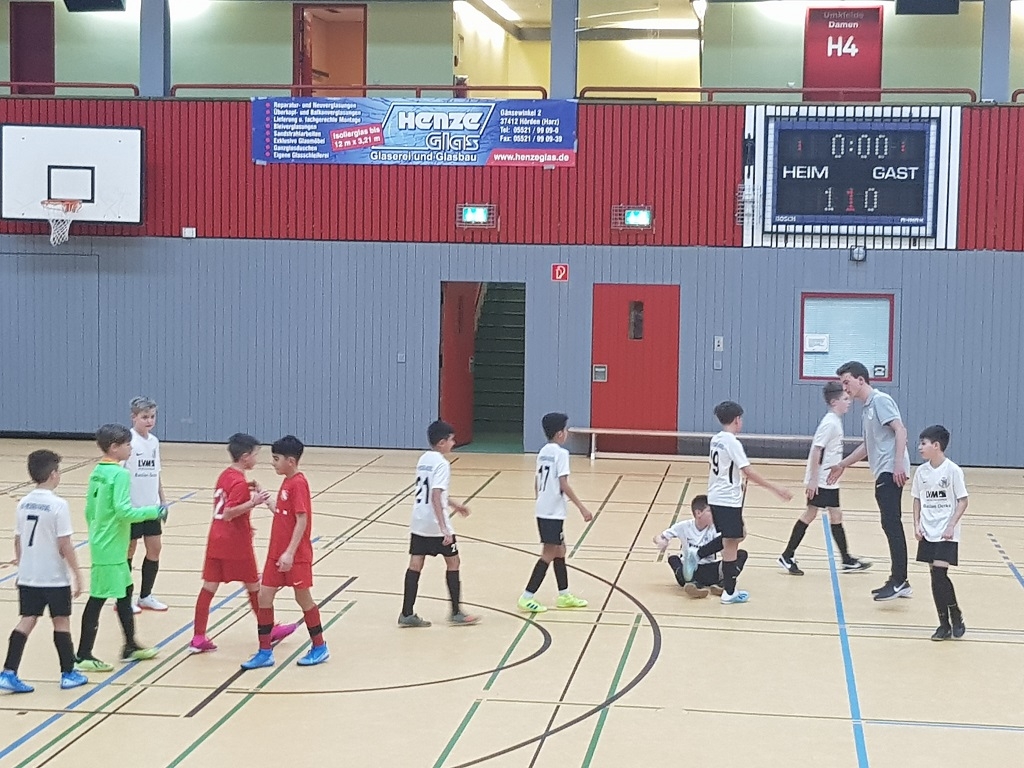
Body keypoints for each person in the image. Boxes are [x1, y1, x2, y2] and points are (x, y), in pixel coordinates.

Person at [189, 433, 296, 653]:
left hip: (217, 538)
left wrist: (247, 513)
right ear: (245, 457)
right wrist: (253, 502)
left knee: (209, 587)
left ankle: (198, 636)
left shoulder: (227, 476)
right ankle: (270, 629)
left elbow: (225, 508)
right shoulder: (239, 483)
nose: (257, 459)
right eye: (256, 454)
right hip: (235, 543)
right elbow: (229, 512)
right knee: (255, 587)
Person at [76, 425, 167, 671]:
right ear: (114, 448)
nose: (131, 449)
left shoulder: (97, 472)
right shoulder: (120, 474)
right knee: (97, 599)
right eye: (128, 445)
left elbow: (89, 510)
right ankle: (83, 655)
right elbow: (123, 511)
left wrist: (98, 530)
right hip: (111, 546)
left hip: (104, 542)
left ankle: (130, 646)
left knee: (125, 593)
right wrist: (153, 512)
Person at [0, 451, 88, 693]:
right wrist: (77, 575)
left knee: (27, 619)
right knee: (61, 622)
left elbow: (18, 539)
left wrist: (21, 567)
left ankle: (8, 672)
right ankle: (68, 673)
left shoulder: (23, 502)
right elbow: (65, 544)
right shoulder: (58, 505)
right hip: (53, 577)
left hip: (30, 576)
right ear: (53, 474)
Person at [240, 436, 329, 669]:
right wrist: (265, 497)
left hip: (295, 556)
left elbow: (302, 520)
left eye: (276, 458)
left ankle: (320, 646)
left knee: (303, 598)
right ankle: (264, 652)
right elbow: (282, 513)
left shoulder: (298, 483)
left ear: (290, 461)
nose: (273, 463)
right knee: (264, 597)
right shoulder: (287, 482)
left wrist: (290, 552)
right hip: (275, 553)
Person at [829, 362, 912, 601]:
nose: (845, 388)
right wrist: (843, 464)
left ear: (861, 380)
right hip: (883, 470)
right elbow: (868, 446)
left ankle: (899, 580)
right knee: (889, 524)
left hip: (890, 470)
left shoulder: (880, 401)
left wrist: (898, 463)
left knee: (892, 524)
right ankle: (899, 580)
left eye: (847, 382)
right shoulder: (867, 409)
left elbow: (900, 430)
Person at [778, 381, 871, 575]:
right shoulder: (829, 423)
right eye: (845, 399)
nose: (849, 402)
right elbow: (816, 450)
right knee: (816, 514)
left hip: (828, 479)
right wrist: (813, 480)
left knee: (827, 514)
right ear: (834, 401)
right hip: (822, 480)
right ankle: (788, 555)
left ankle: (845, 559)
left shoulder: (835, 421)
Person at [708, 401, 792, 604]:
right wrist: (775, 488)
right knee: (731, 543)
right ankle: (729, 591)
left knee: (736, 537)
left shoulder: (716, 439)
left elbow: (724, 469)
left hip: (716, 496)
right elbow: (748, 471)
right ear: (737, 420)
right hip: (728, 499)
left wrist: (737, 484)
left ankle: (720, 578)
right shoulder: (732, 442)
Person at [398, 420, 480, 628]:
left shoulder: (424, 459)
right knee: (454, 562)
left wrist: (455, 505)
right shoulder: (442, 464)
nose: (454, 443)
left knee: (415, 564)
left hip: (419, 520)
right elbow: (435, 494)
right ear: (442, 442)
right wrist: (444, 528)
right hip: (435, 523)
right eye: (451, 440)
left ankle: (406, 613)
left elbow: (431, 492)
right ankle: (456, 612)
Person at [518, 412, 592, 613]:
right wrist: (582, 508)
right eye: (565, 429)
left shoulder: (543, 452)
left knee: (560, 550)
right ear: (560, 433)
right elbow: (563, 483)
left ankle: (564, 595)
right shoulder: (561, 454)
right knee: (549, 553)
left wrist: (540, 500)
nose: (566, 433)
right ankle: (527, 596)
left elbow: (537, 481)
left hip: (544, 509)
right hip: (553, 512)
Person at [911, 425, 968, 640]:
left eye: (923, 443)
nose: (919, 447)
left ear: (936, 445)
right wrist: (916, 524)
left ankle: (955, 613)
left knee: (939, 574)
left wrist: (951, 525)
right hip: (928, 530)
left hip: (946, 531)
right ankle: (943, 624)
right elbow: (917, 499)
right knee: (934, 578)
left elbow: (963, 500)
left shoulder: (953, 471)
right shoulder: (921, 472)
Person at [653, 494, 748, 598]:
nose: (714, 514)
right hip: (691, 571)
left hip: (711, 569)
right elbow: (658, 537)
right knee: (673, 558)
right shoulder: (684, 526)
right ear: (698, 513)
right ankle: (693, 585)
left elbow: (725, 544)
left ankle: (722, 584)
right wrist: (661, 541)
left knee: (741, 554)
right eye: (710, 511)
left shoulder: (715, 528)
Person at [125, 396, 167, 613]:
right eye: (144, 417)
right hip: (132, 508)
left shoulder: (154, 442)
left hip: (151, 507)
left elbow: (156, 473)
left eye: (152, 416)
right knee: (129, 551)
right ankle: (124, 598)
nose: (149, 421)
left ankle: (145, 596)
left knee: (155, 548)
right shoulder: (127, 442)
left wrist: (163, 500)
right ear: (134, 417)